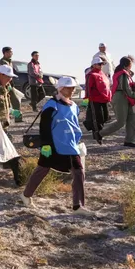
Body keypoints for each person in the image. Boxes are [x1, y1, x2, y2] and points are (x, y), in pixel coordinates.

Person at [20, 77, 93, 216]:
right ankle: (26, 195)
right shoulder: (51, 106)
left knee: (78, 172)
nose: (71, 90)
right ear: (60, 88)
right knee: (41, 170)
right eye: (68, 88)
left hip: (70, 146)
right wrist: (46, 145)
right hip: (53, 145)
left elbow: (74, 125)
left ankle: (78, 206)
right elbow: (44, 127)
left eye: (73, 88)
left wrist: (77, 141)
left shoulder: (74, 106)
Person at [99, 56, 135, 147]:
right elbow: (125, 88)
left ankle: (129, 140)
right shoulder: (123, 74)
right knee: (120, 122)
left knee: (131, 121)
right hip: (121, 97)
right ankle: (100, 133)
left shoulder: (122, 73)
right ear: (127, 65)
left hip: (125, 97)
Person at [82, 56, 112, 141]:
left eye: (101, 64)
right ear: (94, 65)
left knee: (105, 117)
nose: (101, 66)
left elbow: (106, 87)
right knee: (97, 118)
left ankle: (90, 125)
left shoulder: (103, 74)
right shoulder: (91, 75)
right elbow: (88, 87)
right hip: (95, 99)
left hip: (104, 99)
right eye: (99, 64)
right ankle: (97, 134)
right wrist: (86, 99)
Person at [0, 46, 22, 121]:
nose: (11, 53)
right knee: (14, 101)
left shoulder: (9, 61)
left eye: (11, 52)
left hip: (9, 84)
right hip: (5, 84)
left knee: (14, 101)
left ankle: (17, 118)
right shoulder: (3, 62)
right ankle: (17, 118)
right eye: (9, 52)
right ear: (4, 53)